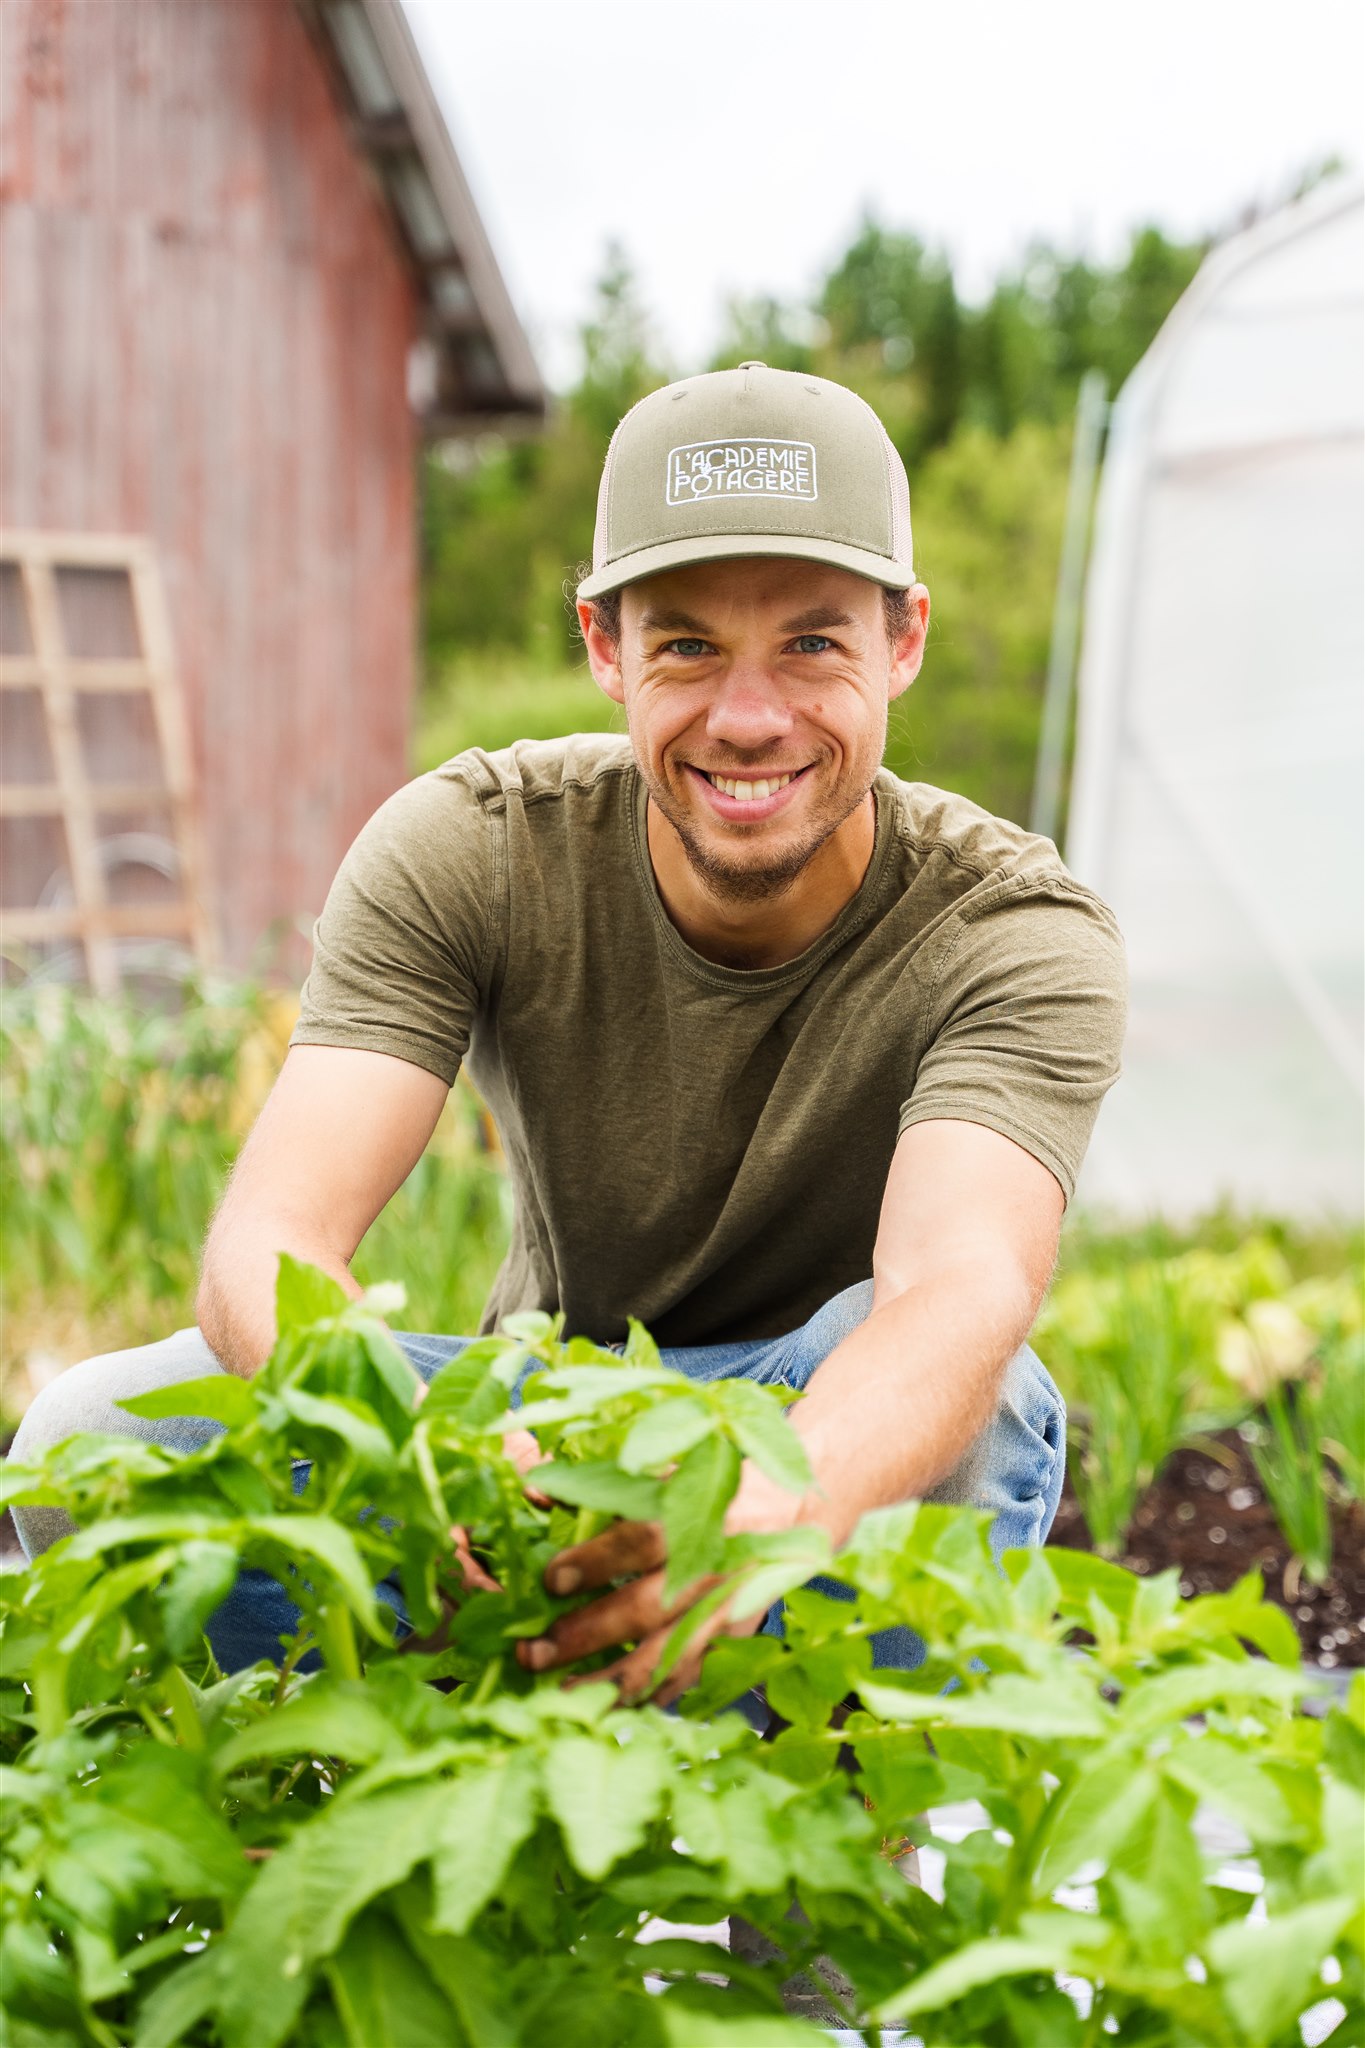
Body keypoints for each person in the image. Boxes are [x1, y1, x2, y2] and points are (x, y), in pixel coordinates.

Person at [10, 362, 1127, 1708]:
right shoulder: (474, 847)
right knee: (96, 1438)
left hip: (814, 1445)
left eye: (813, 643)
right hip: (529, 1421)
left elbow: (959, 1283)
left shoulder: (1009, 927)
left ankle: (820, 1881)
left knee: (975, 1401)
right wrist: (427, 1443)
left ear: (903, 639)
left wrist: (770, 1503)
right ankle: (322, 1851)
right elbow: (272, 1243)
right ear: (605, 646)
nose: (749, 714)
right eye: (687, 644)